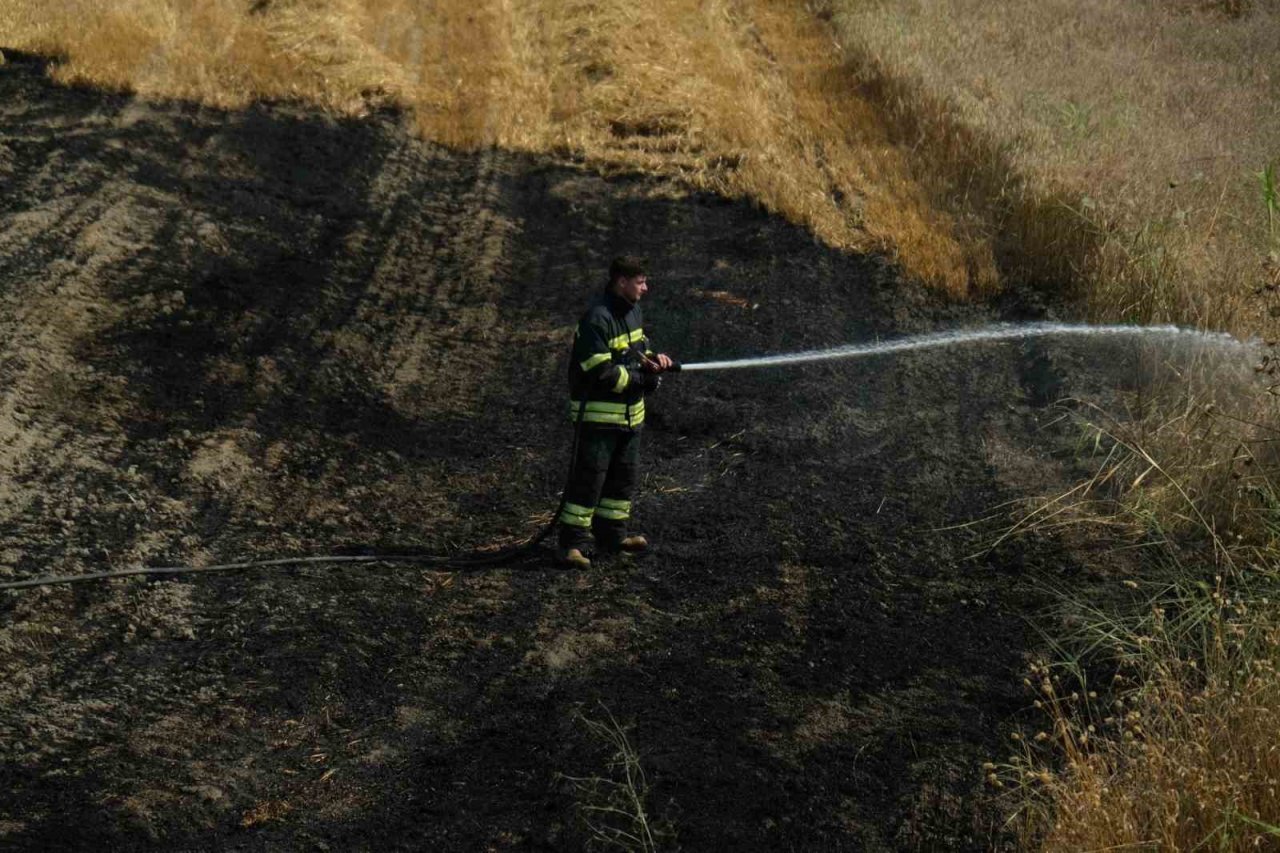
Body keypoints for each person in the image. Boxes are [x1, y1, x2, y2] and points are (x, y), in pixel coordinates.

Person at [556, 255, 675, 569]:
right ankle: (573, 545)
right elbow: (601, 373)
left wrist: (653, 361)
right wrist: (640, 380)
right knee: (588, 481)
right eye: (640, 282)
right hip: (597, 418)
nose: (646, 288)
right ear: (621, 281)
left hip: (630, 417)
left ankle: (612, 536)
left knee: (622, 481)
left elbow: (637, 351)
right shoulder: (597, 319)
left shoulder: (633, 312)